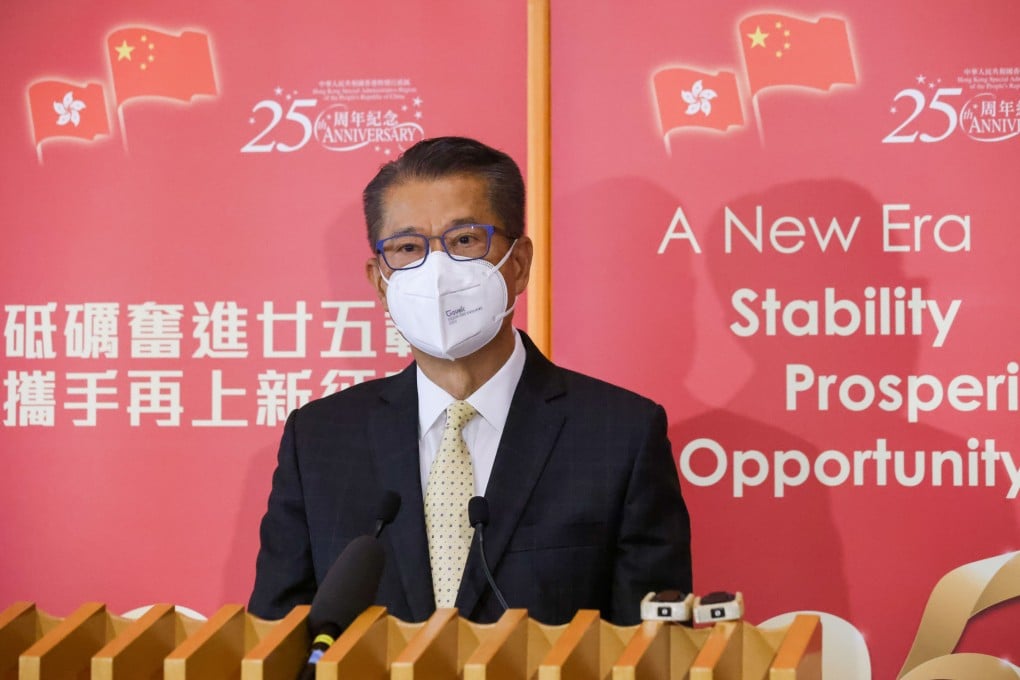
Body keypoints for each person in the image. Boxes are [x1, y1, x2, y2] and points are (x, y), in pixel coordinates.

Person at [248, 136, 692, 625]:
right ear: (380, 282)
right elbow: (277, 643)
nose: (436, 271)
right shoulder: (319, 441)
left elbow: (653, 653)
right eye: (408, 247)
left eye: (464, 241)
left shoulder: (619, 436)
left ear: (518, 264)